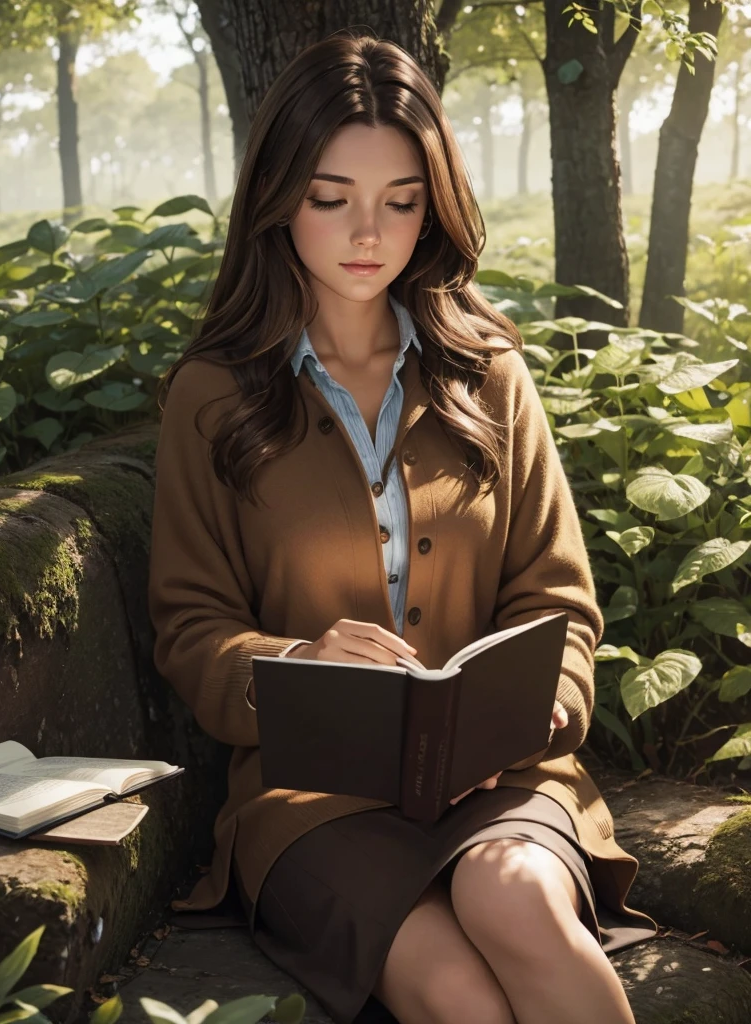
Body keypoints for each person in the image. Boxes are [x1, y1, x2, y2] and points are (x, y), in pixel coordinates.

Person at [147, 28, 658, 1024]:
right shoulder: (209, 398)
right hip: (309, 799)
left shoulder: (489, 373)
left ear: (435, 206)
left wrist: (548, 698)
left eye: (401, 200)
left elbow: (558, 595)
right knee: (458, 996)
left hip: (505, 776)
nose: (365, 233)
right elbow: (190, 626)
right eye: (330, 198)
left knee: (513, 898)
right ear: (277, 197)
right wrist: (300, 654)